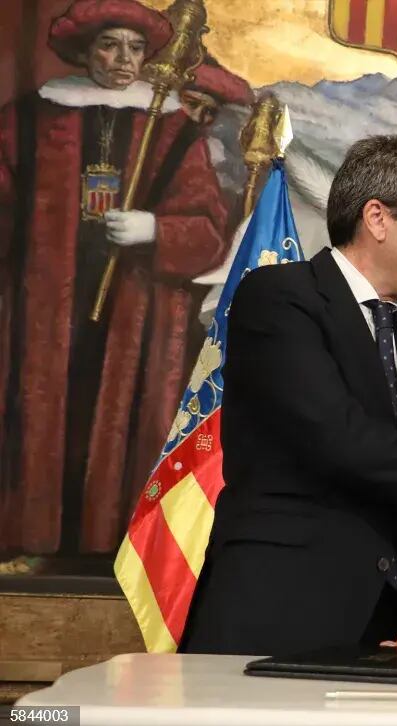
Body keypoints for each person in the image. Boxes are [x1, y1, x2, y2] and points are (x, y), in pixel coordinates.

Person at [179, 135, 397, 656]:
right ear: (377, 218)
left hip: (383, 627)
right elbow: (339, 438)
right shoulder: (279, 298)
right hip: (272, 612)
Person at [0, 0, 228, 556]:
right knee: (40, 410)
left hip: (136, 308)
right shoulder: (32, 117)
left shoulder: (173, 129)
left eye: (134, 47)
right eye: (109, 45)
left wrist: (155, 229)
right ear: (85, 51)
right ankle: (34, 542)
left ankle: (113, 548)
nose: (123, 59)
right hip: (45, 303)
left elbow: (208, 230)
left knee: (120, 419)